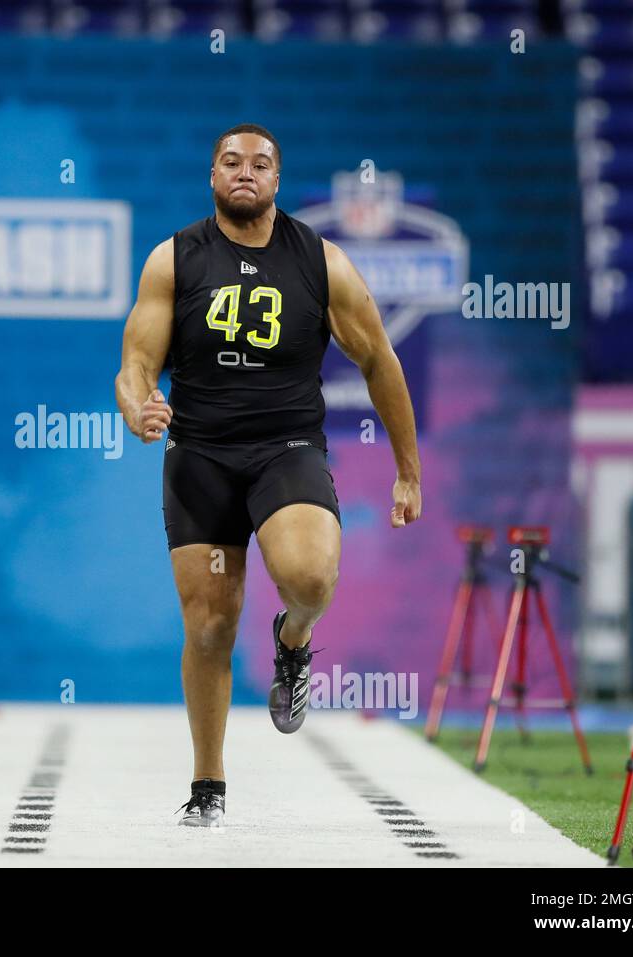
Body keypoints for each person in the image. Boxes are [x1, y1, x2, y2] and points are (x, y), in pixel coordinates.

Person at [114, 123, 423, 827]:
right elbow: (135, 361)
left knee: (311, 577)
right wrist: (137, 406)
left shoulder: (320, 260)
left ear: (278, 180)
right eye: (231, 161)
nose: (244, 172)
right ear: (213, 174)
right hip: (201, 456)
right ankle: (208, 785)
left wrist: (408, 470)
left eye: (260, 164)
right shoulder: (175, 258)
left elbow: (379, 358)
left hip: (285, 449)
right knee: (210, 627)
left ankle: (293, 640)